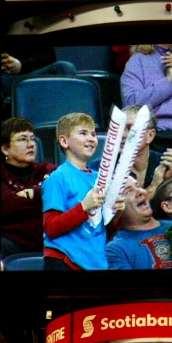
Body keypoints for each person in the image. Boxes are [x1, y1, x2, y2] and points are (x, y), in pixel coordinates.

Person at [41, 112, 123, 270]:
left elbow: (102, 230)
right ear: (64, 141)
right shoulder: (57, 178)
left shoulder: (102, 179)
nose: (91, 139)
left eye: (93, 134)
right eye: (83, 133)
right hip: (64, 261)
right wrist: (84, 206)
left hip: (95, 263)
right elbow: (51, 228)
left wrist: (117, 214)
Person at [89, 103, 172, 200]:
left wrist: (169, 183)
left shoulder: (171, 166)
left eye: (131, 128)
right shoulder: (100, 168)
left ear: (150, 135)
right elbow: (112, 212)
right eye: (119, 128)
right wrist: (155, 186)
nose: (122, 134)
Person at [105, 177, 172, 269]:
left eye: (138, 186)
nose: (140, 192)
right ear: (115, 207)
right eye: (128, 191)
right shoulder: (116, 250)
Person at [0, 117, 57, 264]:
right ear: (6, 148)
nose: (30, 144)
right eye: (22, 139)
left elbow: (66, 193)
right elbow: (8, 207)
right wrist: (45, 195)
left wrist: (34, 193)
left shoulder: (47, 169)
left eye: (32, 139)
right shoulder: (0, 174)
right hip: (13, 243)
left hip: (51, 242)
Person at [0, 45, 78, 107]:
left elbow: (49, 56)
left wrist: (21, 64)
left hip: (34, 72)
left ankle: (62, 109)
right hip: (5, 78)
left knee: (65, 67)